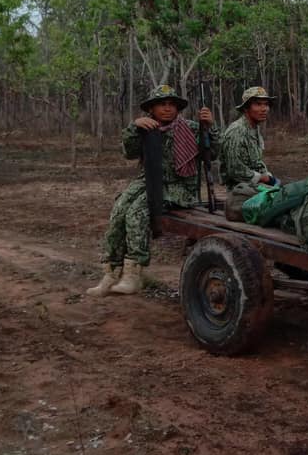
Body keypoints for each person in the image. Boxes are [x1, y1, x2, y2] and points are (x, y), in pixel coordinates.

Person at [87, 85, 218, 296]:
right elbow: (129, 153)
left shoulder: (191, 128)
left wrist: (209, 127)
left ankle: (133, 274)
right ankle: (111, 272)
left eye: (171, 104)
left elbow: (213, 154)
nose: (167, 109)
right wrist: (134, 127)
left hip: (179, 187)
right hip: (148, 180)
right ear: (152, 109)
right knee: (119, 211)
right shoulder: (146, 127)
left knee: (136, 213)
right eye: (161, 104)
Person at [220, 86, 278, 219]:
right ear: (246, 108)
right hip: (239, 196)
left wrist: (268, 176)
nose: (264, 109)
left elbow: (255, 161)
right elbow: (235, 170)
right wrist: (263, 178)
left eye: (266, 104)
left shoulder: (253, 129)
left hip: (253, 190)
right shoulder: (237, 131)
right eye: (258, 104)